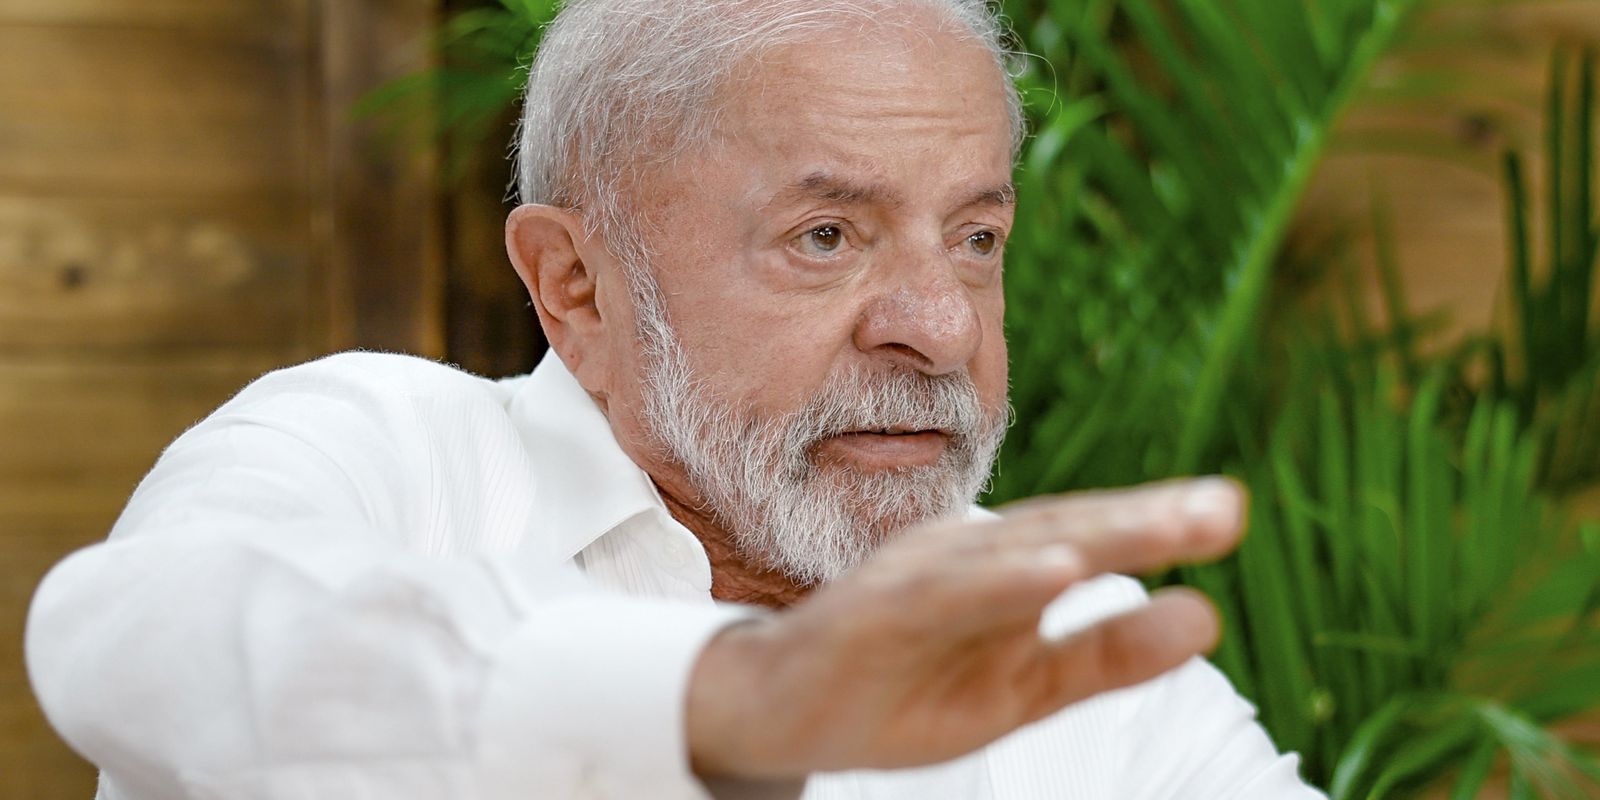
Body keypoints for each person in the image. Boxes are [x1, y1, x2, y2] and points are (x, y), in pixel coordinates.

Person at [27, 1, 1325, 798]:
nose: (942, 329)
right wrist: (725, 700)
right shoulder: (385, 455)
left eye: (976, 237)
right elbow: (129, 637)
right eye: (827, 236)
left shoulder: (1071, 638)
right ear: (578, 286)